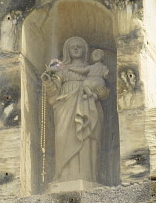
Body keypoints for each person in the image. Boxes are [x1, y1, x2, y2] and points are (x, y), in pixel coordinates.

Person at [41, 36, 109, 183]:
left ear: (85, 50)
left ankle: (87, 176)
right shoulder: (62, 69)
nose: (76, 49)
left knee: (87, 137)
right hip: (65, 104)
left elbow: (102, 88)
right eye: (73, 47)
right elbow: (54, 90)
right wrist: (49, 82)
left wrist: (101, 93)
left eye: (79, 46)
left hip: (88, 103)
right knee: (62, 137)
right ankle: (64, 176)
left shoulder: (93, 69)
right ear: (68, 51)